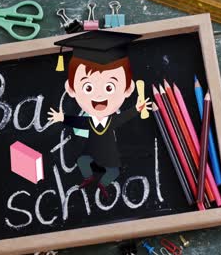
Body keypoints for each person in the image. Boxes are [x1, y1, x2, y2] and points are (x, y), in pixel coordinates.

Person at [48, 31, 151, 198]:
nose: (98, 97)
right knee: (83, 161)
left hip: (109, 158)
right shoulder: (89, 122)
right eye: (87, 88)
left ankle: (103, 184)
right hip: (93, 156)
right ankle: (89, 178)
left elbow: (123, 116)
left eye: (110, 87)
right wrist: (62, 118)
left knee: (113, 172)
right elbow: (77, 122)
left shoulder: (112, 121)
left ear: (128, 89)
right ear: (71, 89)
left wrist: (138, 109)